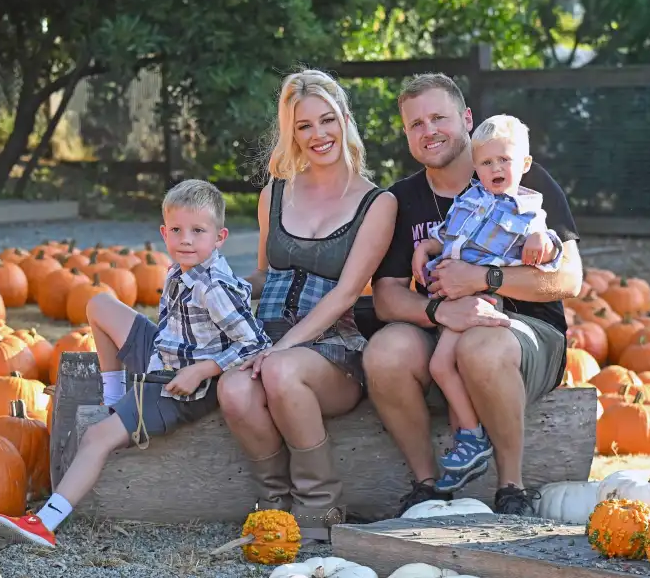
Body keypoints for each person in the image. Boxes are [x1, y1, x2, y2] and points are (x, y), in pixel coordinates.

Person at [0, 179, 271, 548]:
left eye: (198, 231)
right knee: (99, 304)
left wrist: (203, 370)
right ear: (164, 233)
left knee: (96, 437)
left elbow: (256, 343)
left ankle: (45, 522)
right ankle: (113, 395)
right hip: (164, 354)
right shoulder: (182, 270)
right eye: (177, 230)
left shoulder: (212, 286)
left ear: (220, 237)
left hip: (180, 385)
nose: (186, 239)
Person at [363, 73, 583, 517]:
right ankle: (429, 487)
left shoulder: (521, 177)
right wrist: (444, 311)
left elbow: (568, 279)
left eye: (438, 117)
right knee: (384, 353)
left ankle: (511, 488)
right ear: (406, 134)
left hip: (525, 329)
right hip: (443, 326)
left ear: (465, 118)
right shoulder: (402, 199)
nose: (429, 131)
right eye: (416, 124)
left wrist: (483, 279)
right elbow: (386, 297)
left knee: (483, 346)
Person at [217, 69, 397, 543]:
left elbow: (346, 292)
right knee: (233, 390)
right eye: (304, 126)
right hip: (267, 342)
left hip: (331, 351)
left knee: (278, 372)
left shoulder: (376, 203)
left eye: (327, 120)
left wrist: (282, 349)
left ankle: (320, 509)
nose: (319, 135)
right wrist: (218, 286)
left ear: (344, 121)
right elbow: (262, 273)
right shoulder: (274, 194)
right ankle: (274, 509)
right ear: (291, 134)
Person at [409, 113, 565, 493]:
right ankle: (472, 436)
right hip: (454, 298)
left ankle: (481, 447)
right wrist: (427, 246)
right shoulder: (471, 198)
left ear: (524, 164)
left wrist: (543, 244)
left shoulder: (528, 208)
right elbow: (448, 235)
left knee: (452, 360)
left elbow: (554, 253)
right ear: (475, 167)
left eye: (504, 161)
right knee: (440, 365)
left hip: (484, 297)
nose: (496, 169)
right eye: (487, 162)